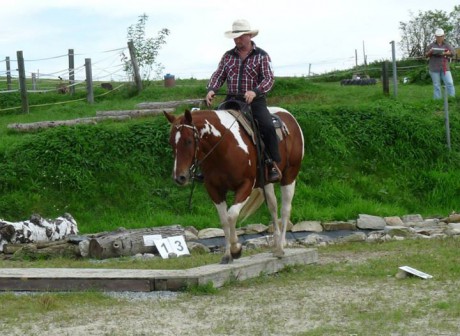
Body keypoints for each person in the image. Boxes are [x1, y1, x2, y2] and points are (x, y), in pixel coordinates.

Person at [205, 19, 282, 183]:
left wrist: (255, 92)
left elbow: (268, 79)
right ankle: (207, 166)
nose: (237, 40)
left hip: (254, 101)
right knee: (211, 127)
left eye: (240, 36)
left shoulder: (262, 56)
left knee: (267, 126)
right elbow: (219, 75)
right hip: (231, 100)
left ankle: (271, 163)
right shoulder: (227, 56)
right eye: (235, 37)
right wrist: (212, 89)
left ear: (249, 36)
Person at [425, 28, 456, 99]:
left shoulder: (447, 45)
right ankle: (437, 101)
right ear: (435, 36)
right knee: (436, 85)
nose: (439, 38)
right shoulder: (431, 45)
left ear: (443, 36)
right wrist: (429, 52)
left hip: (445, 68)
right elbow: (426, 55)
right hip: (434, 67)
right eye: (438, 36)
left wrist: (446, 53)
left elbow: (453, 53)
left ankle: (452, 99)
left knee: (450, 83)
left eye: (441, 36)